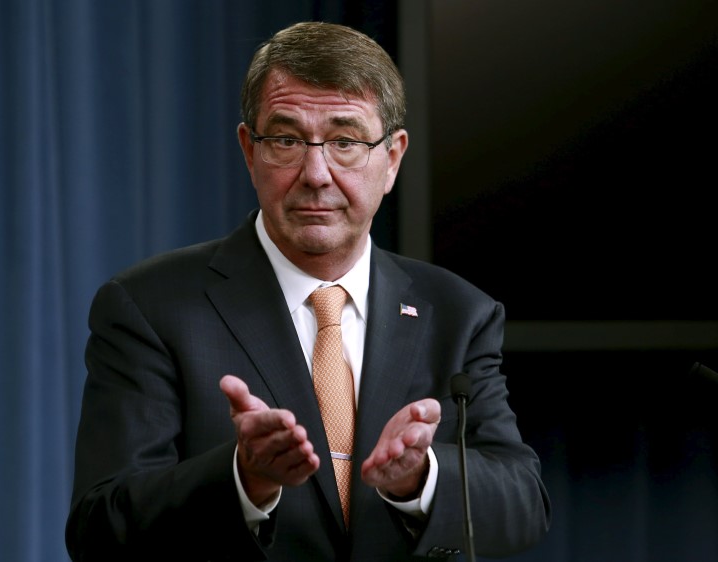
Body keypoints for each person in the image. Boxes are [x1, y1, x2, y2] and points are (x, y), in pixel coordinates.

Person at [65, 21, 551, 562]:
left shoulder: (458, 312)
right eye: (288, 139)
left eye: (345, 141)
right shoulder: (151, 308)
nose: (315, 173)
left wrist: (422, 479)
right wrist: (243, 480)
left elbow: (523, 506)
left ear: (392, 158)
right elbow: (99, 529)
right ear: (250, 151)